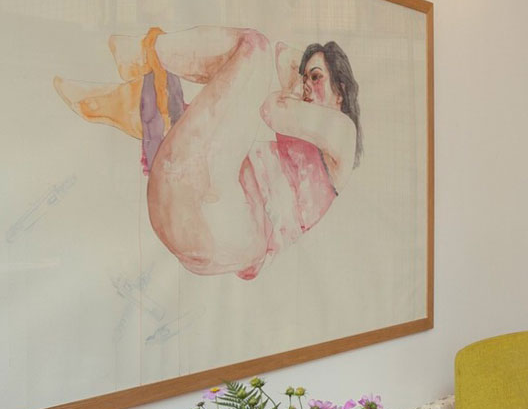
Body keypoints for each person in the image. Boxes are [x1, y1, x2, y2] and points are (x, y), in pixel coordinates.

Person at [53, 26, 361, 281]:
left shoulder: (343, 132)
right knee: (205, 107)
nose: (306, 85)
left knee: (254, 46)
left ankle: (147, 55)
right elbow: (285, 55)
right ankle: (125, 95)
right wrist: (305, 81)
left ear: (341, 92)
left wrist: (295, 88)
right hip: (203, 214)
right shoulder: (309, 143)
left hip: (220, 221)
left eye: (316, 77)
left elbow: (272, 108)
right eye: (306, 77)